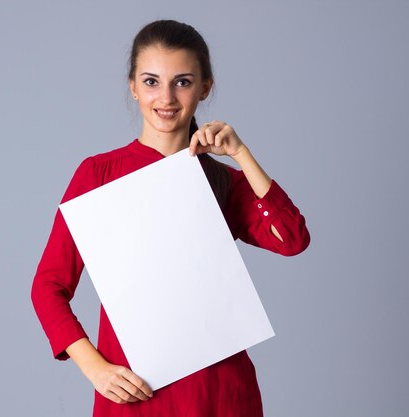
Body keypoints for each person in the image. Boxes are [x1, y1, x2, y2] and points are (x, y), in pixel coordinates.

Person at [31, 19, 310, 417]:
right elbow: (48, 286)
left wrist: (242, 154)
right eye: (151, 81)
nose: (166, 97)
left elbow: (292, 240)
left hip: (221, 392)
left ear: (204, 87)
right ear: (132, 86)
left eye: (182, 81)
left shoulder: (223, 180)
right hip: (136, 394)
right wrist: (96, 369)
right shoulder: (98, 175)